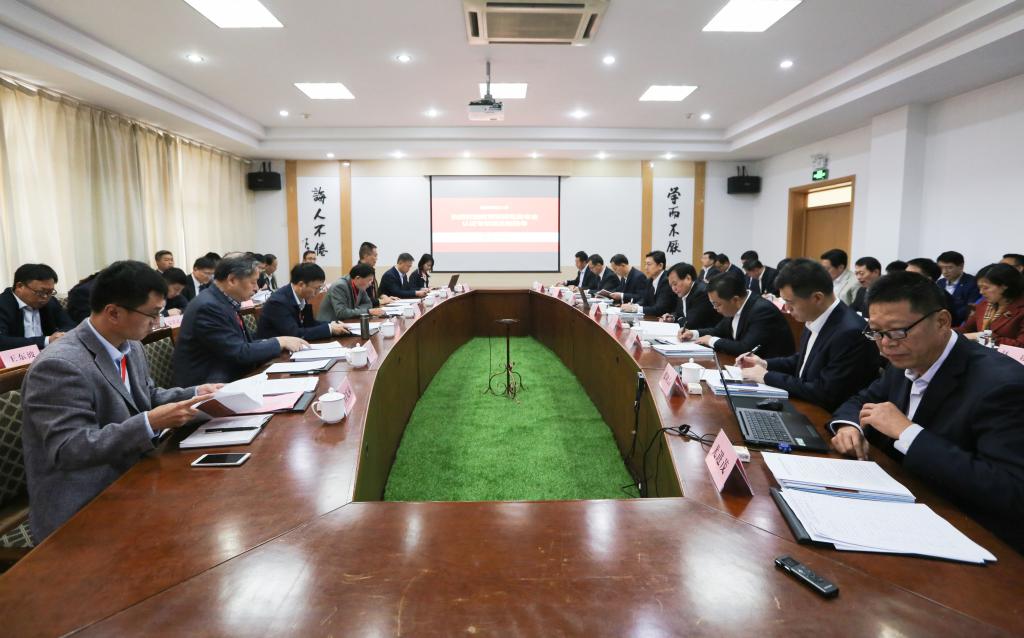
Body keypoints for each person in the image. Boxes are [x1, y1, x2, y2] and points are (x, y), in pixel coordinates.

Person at [21, 260, 221, 541]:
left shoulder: (131, 345)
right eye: (152, 314)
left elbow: (146, 396)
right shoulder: (59, 365)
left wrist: (197, 393)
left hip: (134, 472)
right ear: (114, 312)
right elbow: (71, 448)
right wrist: (149, 423)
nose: (157, 322)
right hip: (85, 501)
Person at [829, 272, 1024, 551]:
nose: (886, 344)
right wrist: (850, 426)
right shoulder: (906, 358)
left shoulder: (1002, 385)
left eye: (898, 331)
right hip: (899, 501)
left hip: (969, 533)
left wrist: (908, 433)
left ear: (942, 321)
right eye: (876, 332)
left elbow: (1010, 490)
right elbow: (862, 400)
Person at [736, 259, 879, 410]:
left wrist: (765, 376)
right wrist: (764, 363)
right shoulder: (815, 315)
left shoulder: (851, 332)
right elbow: (805, 361)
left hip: (827, 414)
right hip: (806, 404)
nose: (787, 308)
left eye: (790, 302)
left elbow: (825, 392)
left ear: (817, 298)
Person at [171, 257, 307, 386]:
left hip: (229, 375)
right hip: (208, 386)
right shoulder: (208, 307)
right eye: (253, 282)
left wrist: (280, 341)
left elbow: (242, 345)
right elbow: (239, 353)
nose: (256, 288)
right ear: (232, 280)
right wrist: (279, 342)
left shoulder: (223, 301)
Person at [679, 272, 795, 357]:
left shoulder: (762, 311)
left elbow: (745, 348)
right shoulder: (736, 306)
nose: (715, 308)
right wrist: (693, 333)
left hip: (769, 372)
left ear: (735, 300)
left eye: (717, 304)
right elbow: (718, 331)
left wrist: (711, 340)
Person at [257, 263, 349, 340]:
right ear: (301, 285)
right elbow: (294, 334)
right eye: (316, 288)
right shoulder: (278, 302)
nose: (317, 292)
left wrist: (332, 324)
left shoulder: (301, 296)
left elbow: (309, 324)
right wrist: (329, 329)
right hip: (273, 353)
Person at [0, 263, 75, 351]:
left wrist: (60, 335)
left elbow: (70, 326)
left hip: (49, 354)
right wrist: (46, 340)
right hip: (14, 358)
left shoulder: (51, 302)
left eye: (50, 292)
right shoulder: (3, 304)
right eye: (40, 292)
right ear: (20, 286)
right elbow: (2, 341)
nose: (45, 297)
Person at [956, 263, 1024, 347]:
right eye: (979, 288)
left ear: (1005, 286)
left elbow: (1021, 345)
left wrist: (983, 337)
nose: (981, 292)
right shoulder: (984, 304)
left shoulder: (1021, 308)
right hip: (983, 353)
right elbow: (966, 329)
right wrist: (946, 332)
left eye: (986, 288)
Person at [660, 262, 721, 331]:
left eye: (675, 284)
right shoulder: (683, 291)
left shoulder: (702, 293)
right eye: (671, 286)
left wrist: (675, 321)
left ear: (688, 278)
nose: (673, 289)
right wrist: (672, 318)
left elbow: (690, 323)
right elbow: (679, 313)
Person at [318, 263, 385, 321]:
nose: (370, 283)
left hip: (347, 321)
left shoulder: (360, 286)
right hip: (330, 324)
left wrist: (353, 311)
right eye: (369, 280)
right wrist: (367, 311)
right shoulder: (339, 286)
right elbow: (341, 313)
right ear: (358, 278)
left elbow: (368, 304)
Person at [621, 250, 675, 316]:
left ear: (660, 266)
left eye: (649, 264)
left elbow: (659, 309)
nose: (645, 268)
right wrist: (634, 305)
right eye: (645, 264)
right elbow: (644, 300)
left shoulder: (666, 281)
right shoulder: (649, 280)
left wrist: (636, 309)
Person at [936, 250, 980, 326]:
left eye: (949, 267)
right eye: (941, 268)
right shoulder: (940, 282)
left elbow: (970, 309)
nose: (944, 272)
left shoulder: (973, 283)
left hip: (960, 324)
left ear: (961, 266)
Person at [357, 241, 393, 307]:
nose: (377, 258)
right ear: (365, 256)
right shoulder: (359, 272)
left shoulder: (370, 269)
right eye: (375, 255)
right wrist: (380, 301)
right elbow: (363, 300)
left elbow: (373, 293)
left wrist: (383, 296)